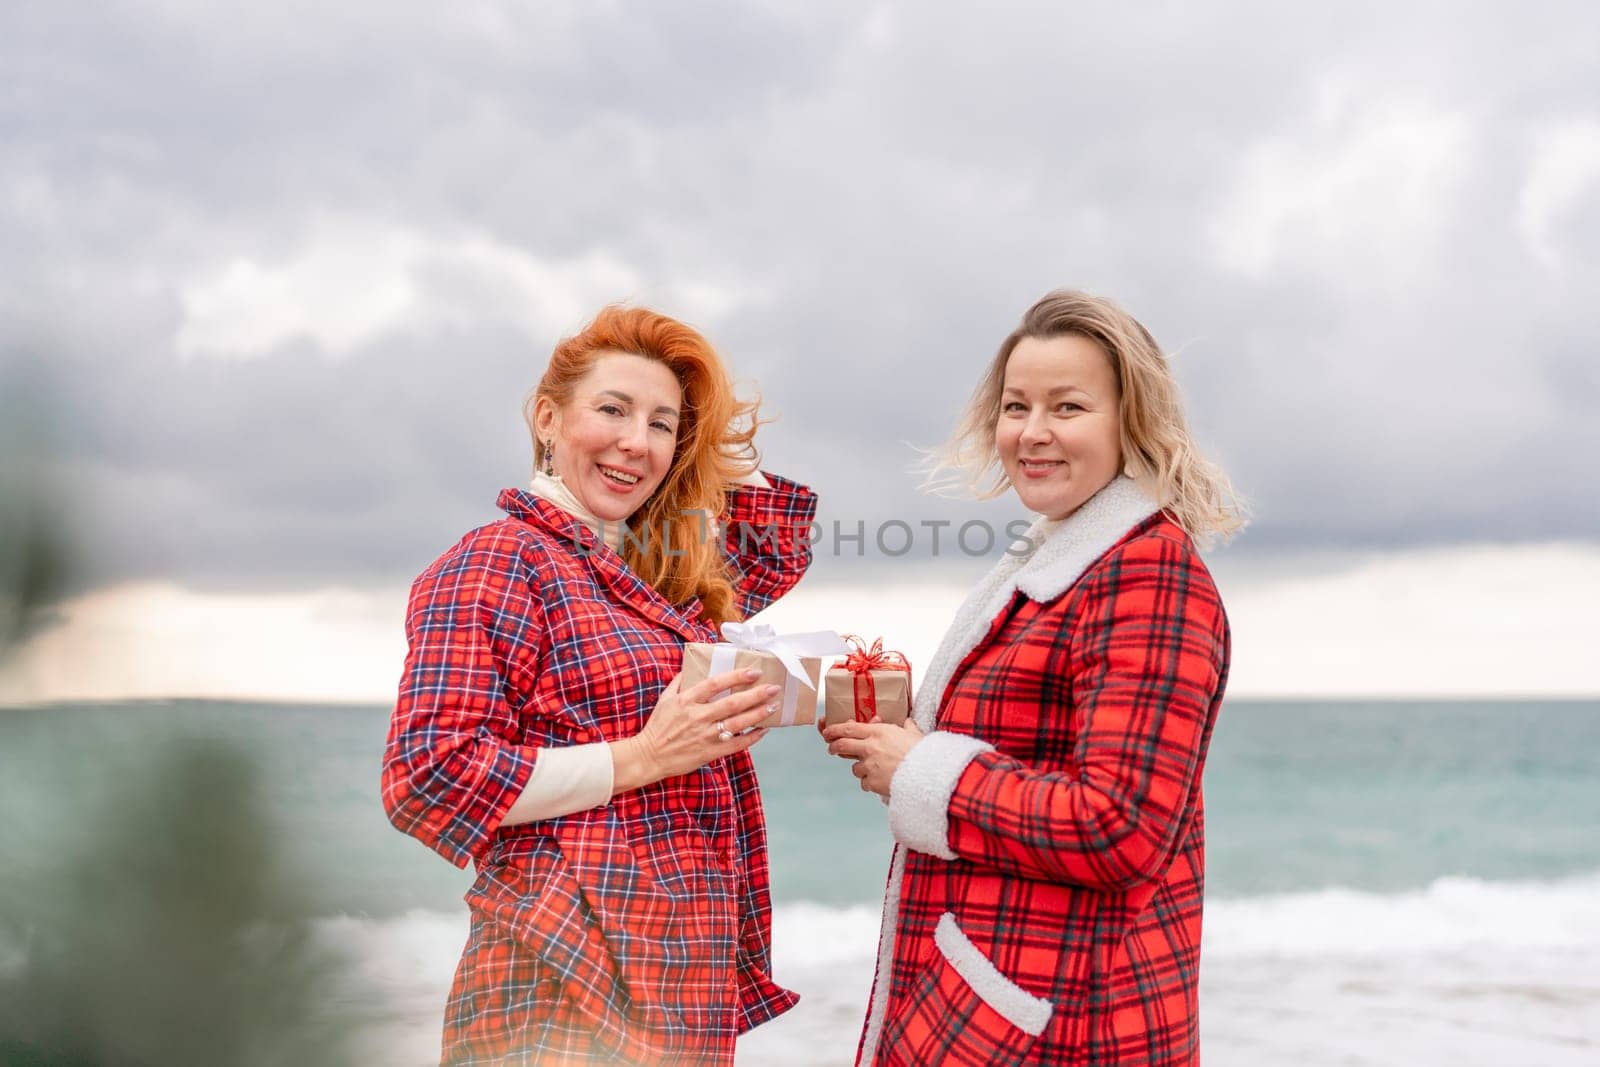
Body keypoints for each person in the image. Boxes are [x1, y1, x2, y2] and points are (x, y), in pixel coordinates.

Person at [381, 305, 815, 1065]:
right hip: (559, 978)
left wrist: (702, 427)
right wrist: (644, 755)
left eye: (660, 424)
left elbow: (777, 535)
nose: (633, 443)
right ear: (548, 417)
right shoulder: (499, 560)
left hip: (678, 978)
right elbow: (429, 775)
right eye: (611, 410)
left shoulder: (649, 573)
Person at [824, 289, 1244, 1066]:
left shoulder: (1149, 573)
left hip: (1066, 1026)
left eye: (1068, 406)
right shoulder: (1057, 556)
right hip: (1000, 999)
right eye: (1016, 405)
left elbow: (1120, 825)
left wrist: (921, 768)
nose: (1033, 432)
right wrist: (902, 722)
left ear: (1132, 420)